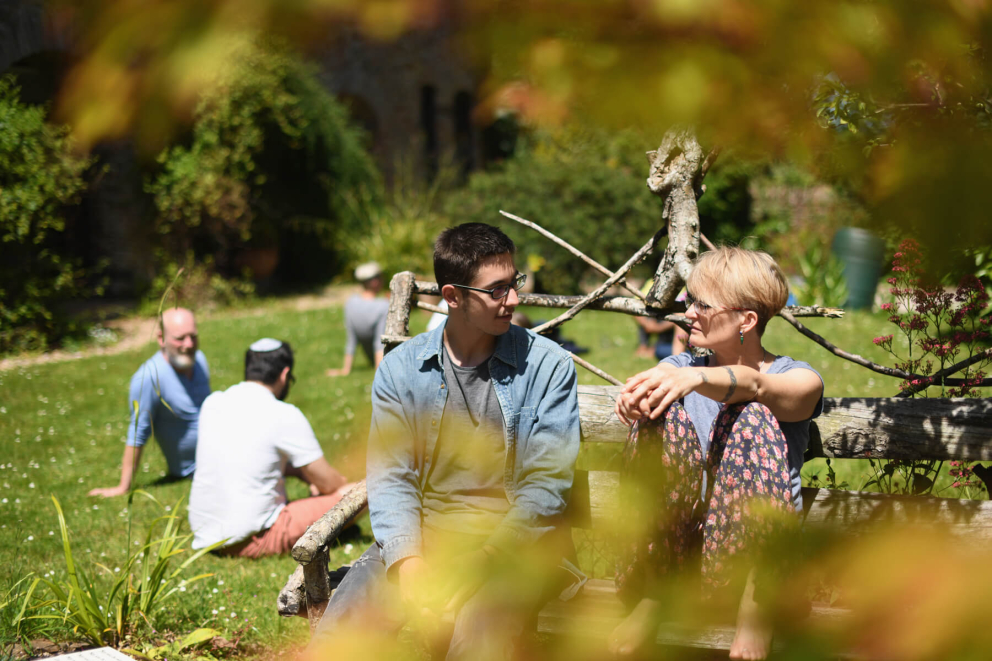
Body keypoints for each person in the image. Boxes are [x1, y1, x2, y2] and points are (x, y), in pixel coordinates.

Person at [311, 223, 583, 660]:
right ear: (452, 296)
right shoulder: (402, 370)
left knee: (475, 636)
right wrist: (411, 564)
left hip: (516, 547)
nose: (513, 299)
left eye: (514, 283)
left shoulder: (548, 366)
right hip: (422, 537)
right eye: (496, 290)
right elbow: (391, 477)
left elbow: (545, 489)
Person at [610, 247, 824, 661]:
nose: (689, 312)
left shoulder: (798, 378)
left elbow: (755, 387)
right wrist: (637, 404)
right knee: (660, 414)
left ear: (747, 320)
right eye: (688, 301)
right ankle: (656, 595)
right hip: (685, 554)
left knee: (751, 417)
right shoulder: (680, 366)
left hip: (765, 567)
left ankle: (754, 612)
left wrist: (693, 376)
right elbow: (655, 387)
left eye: (702, 304)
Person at [188, 338, 355, 557]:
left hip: (207, 536)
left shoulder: (213, 403)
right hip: (253, 537)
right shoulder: (284, 413)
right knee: (359, 493)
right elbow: (328, 482)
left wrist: (304, 475)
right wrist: (336, 485)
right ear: (285, 375)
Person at [89, 307, 210, 498]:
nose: (189, 344)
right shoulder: (148, 378)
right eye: (180, 338)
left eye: (193, 336)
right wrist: (123, 487)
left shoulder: (200, 361)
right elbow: (138, 432)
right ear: (161, 338)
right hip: (197, 469)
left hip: (218, 453)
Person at [326, 261, 390, 377]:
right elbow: (380, 342)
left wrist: (345, 369)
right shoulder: (383, 306)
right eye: (381, 277)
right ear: (375, 282)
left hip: (372, 358)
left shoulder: (351, 303)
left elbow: (352, 339)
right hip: (386, 360)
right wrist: (379, 371)